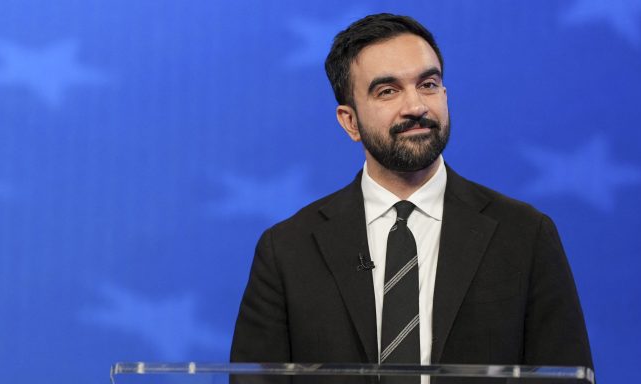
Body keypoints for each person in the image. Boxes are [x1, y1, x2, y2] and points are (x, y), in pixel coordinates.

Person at [230, 13, 593, 374]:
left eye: (428, 84)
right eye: (387, 91)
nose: (416, 106)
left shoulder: (525, 234)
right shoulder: (287, 250)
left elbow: (564, 375)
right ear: (350, 121)